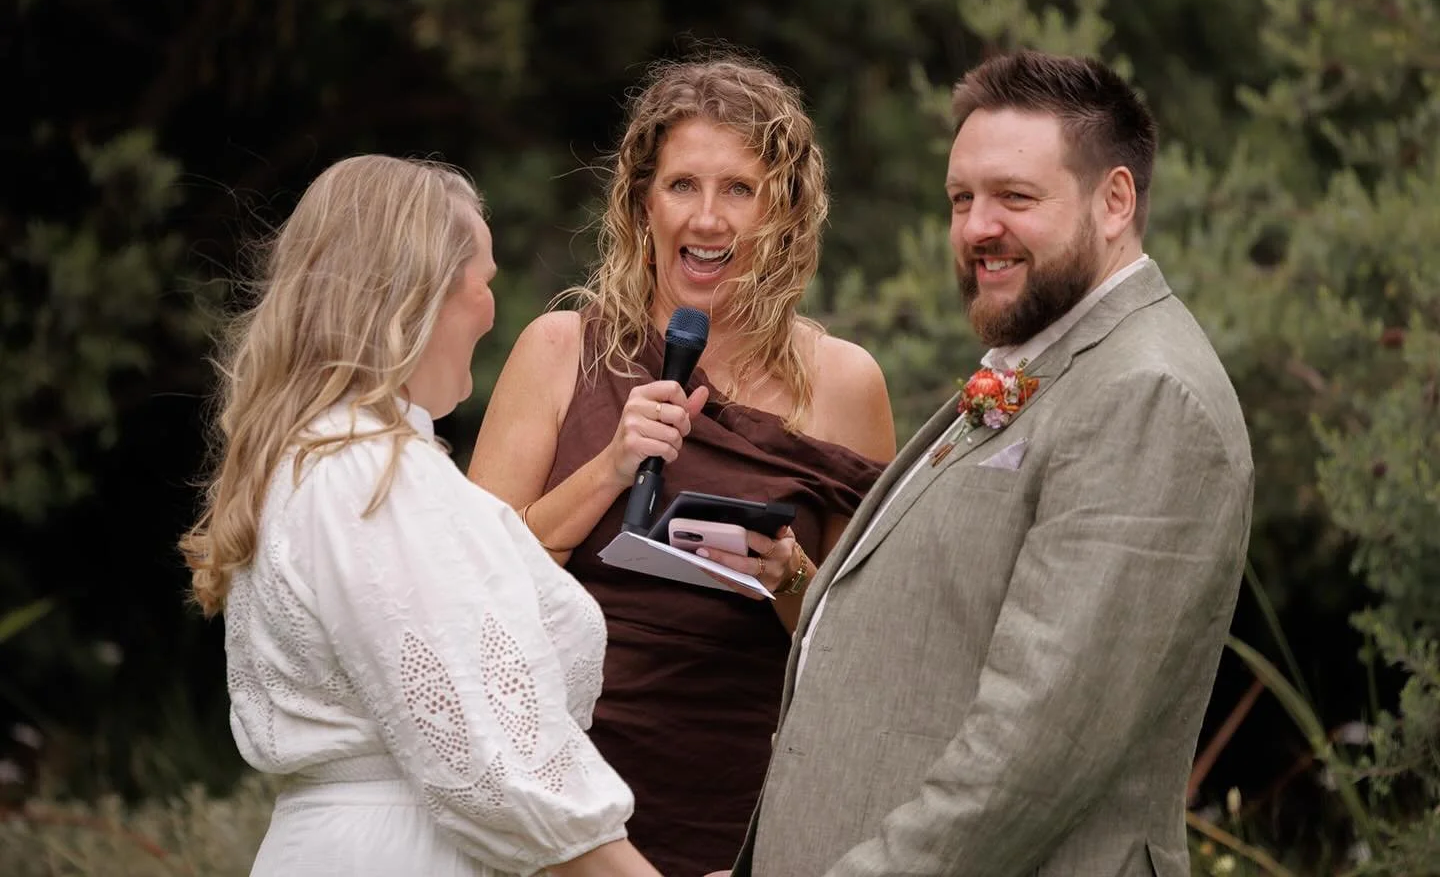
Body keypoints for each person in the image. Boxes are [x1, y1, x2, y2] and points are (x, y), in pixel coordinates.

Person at [722, 50, 1255, 877]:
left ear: (1115, 201)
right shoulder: (1050, 364)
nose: (977, 228)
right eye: (961, 199)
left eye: (1015, 197)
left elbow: (1035, 749)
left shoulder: (1146, 395)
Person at [468, 54, 896, 874]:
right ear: (642, 203)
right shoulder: (559, 351)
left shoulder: (846, 385)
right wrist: (608, 468)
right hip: (557, 808)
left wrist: (790, 576)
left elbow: (869, 659)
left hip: (739, 818)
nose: (707, 218)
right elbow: (468, 597)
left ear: (785, 210)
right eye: (682, 186)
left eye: (738, 189)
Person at [180, 155, 664, 877]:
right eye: (484, 282)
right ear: (420, 290)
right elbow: (497, 772)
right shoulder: (369, 472)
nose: (492, 312)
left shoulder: (324, 459)